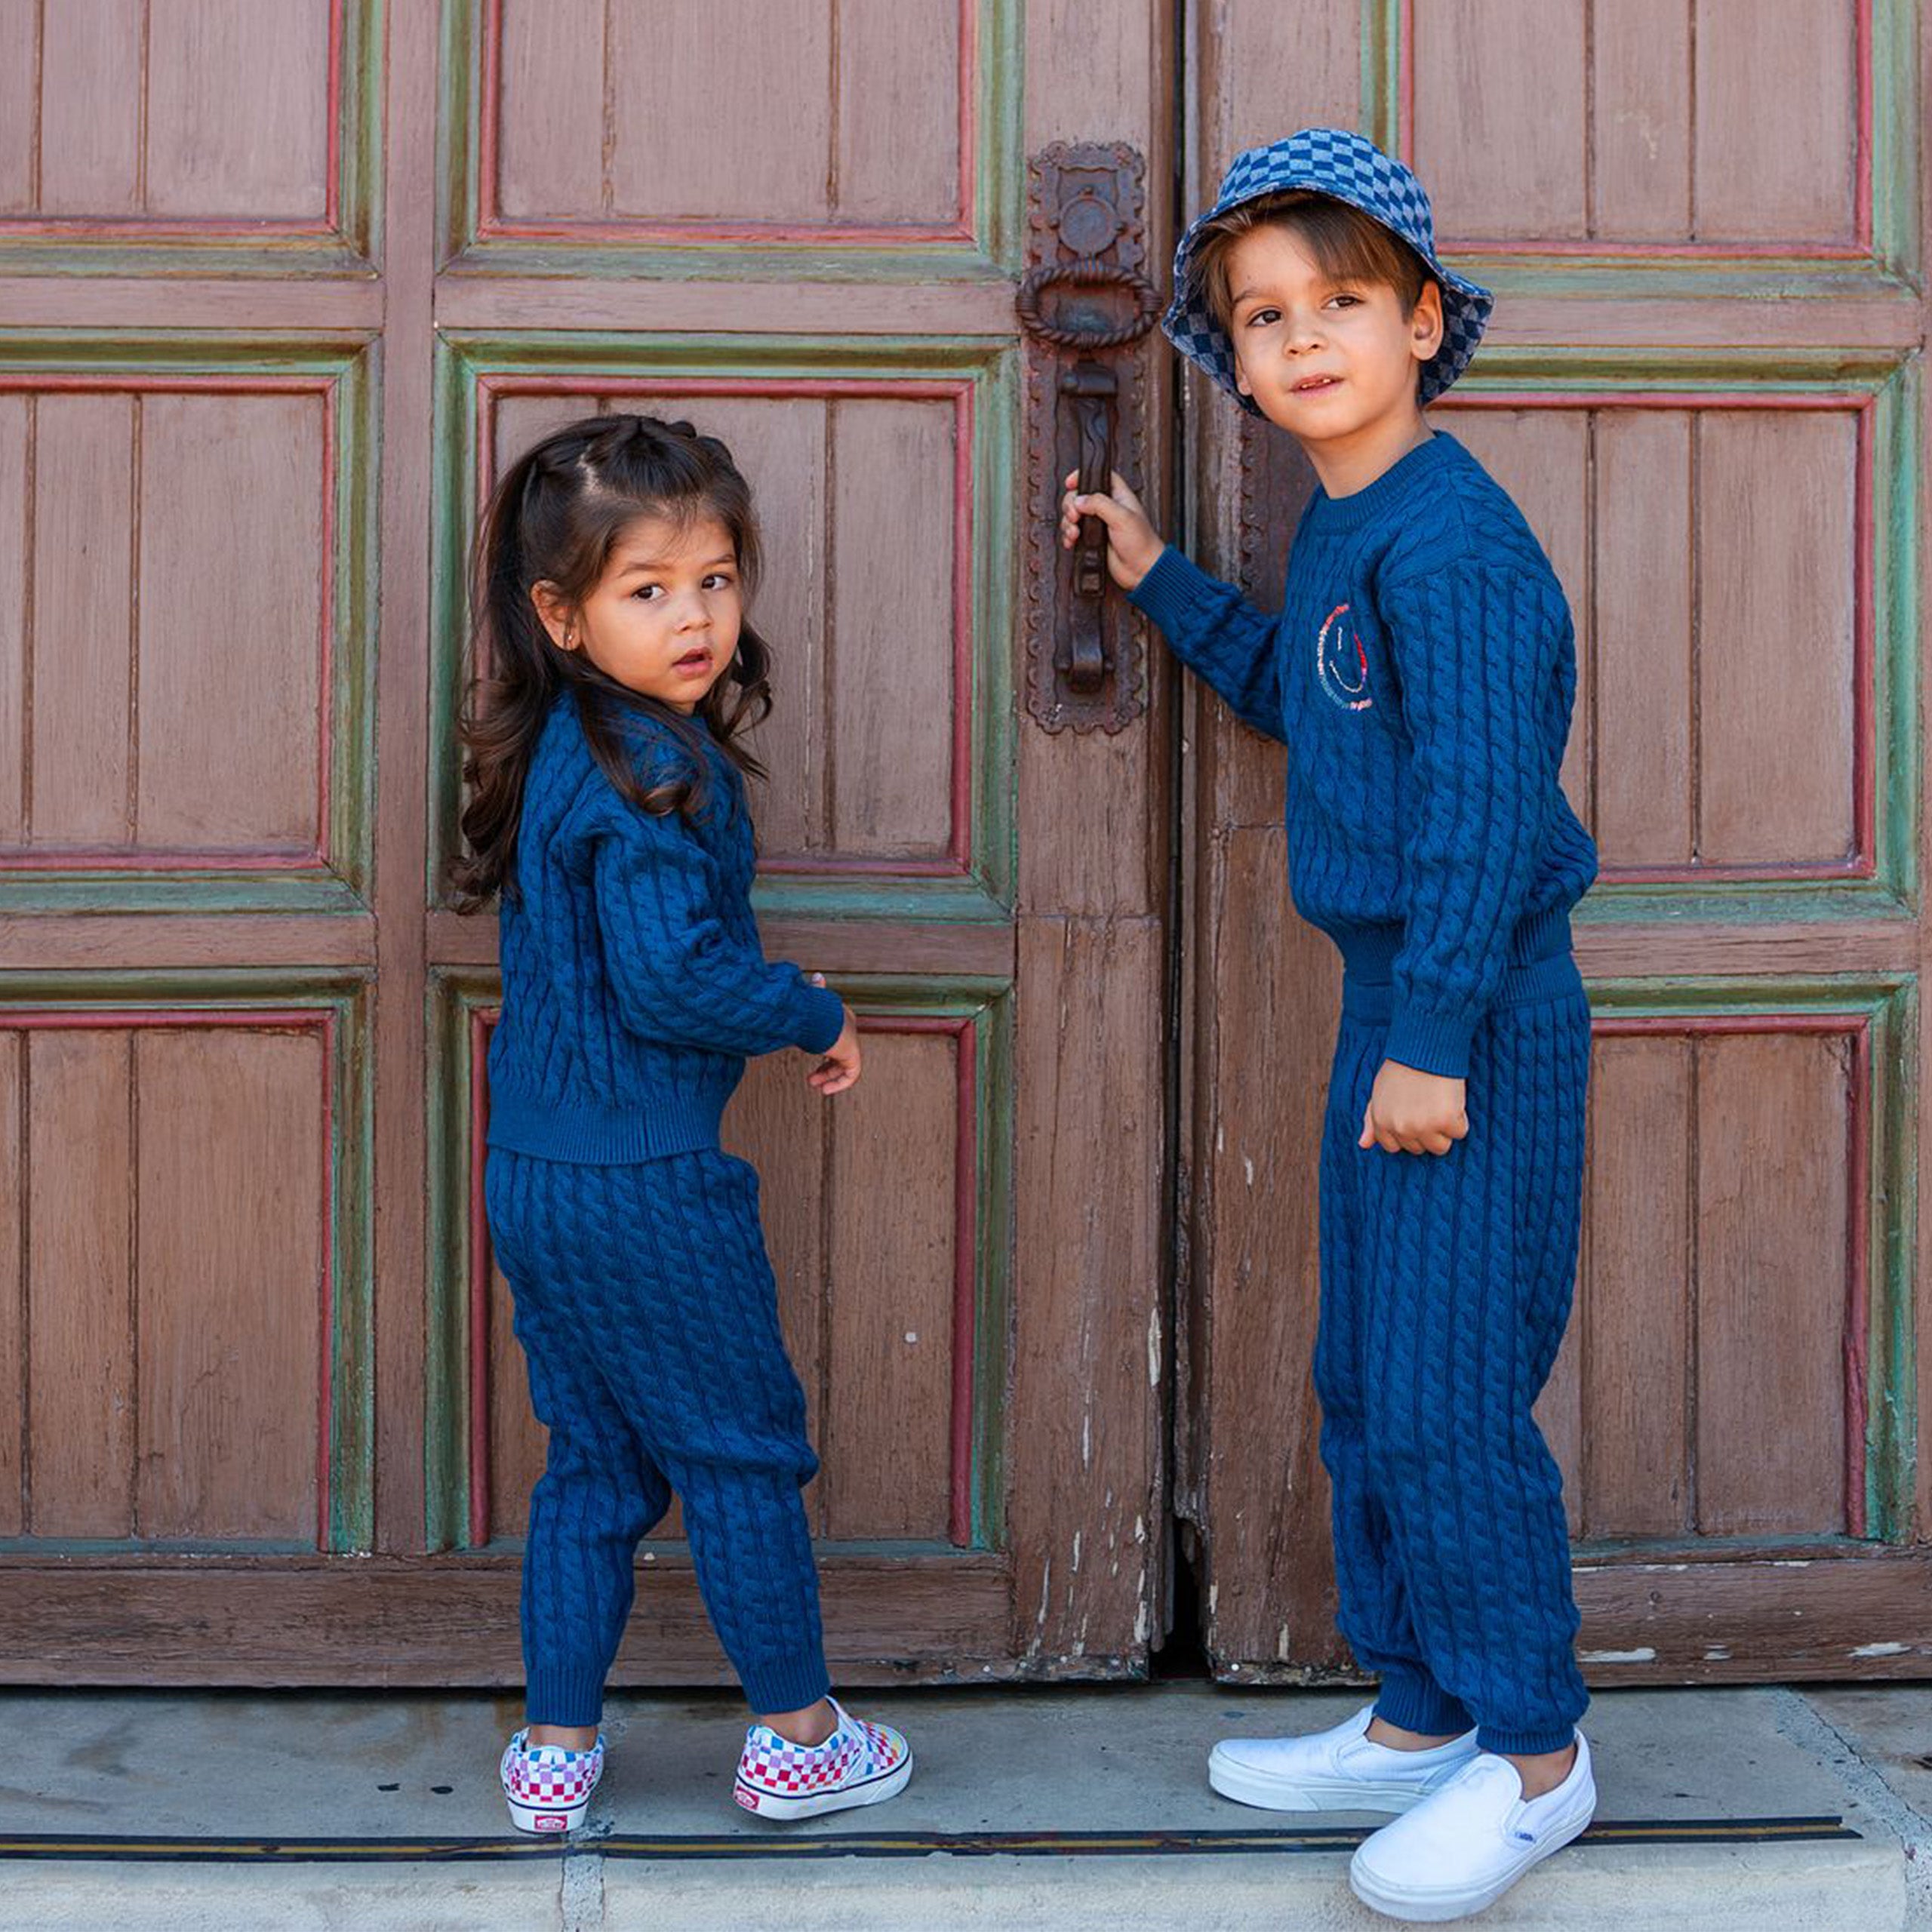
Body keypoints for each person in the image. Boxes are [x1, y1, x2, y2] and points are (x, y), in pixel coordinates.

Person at [1062, 129, 1599, 1922]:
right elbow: (1312, 690)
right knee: (1369, 1381)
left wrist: (1434, 1039)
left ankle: (1534, 1758)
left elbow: (1482, 814)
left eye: (1340, 303)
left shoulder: (1452, 542)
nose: (1301, 340)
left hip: (1469, 1014)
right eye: (1261, 315)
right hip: (1401, 1009)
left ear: (1422, 321)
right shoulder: (1352, 520)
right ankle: (1418, 1710)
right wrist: (1155, 580)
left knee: (1448, 1406)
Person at [451, 413, 912, 1835]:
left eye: (715, 578)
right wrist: (807, 1013)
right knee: (739, 1455)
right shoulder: (655, 770)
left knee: (595, 1462)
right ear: (562, 613)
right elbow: (670, 978)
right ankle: (798, 1737)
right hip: (648, 1185)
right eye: (647, 590)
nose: (695, 614)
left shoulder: (565, 754)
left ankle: (553, 1754)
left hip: (537, 1173)